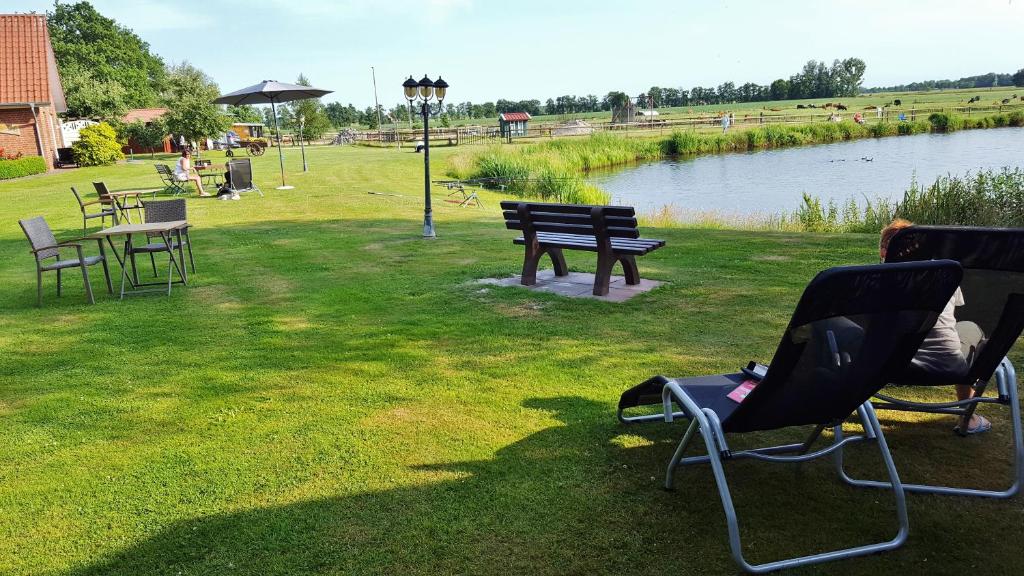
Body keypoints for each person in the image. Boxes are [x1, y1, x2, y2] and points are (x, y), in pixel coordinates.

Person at [880, 219, 990, 434]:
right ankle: (968, 417)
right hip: (948, 365)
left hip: (889, 367)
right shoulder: (947, 277)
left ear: (885, 252)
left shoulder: (872, 282)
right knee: (968, 327)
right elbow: (952, 315)